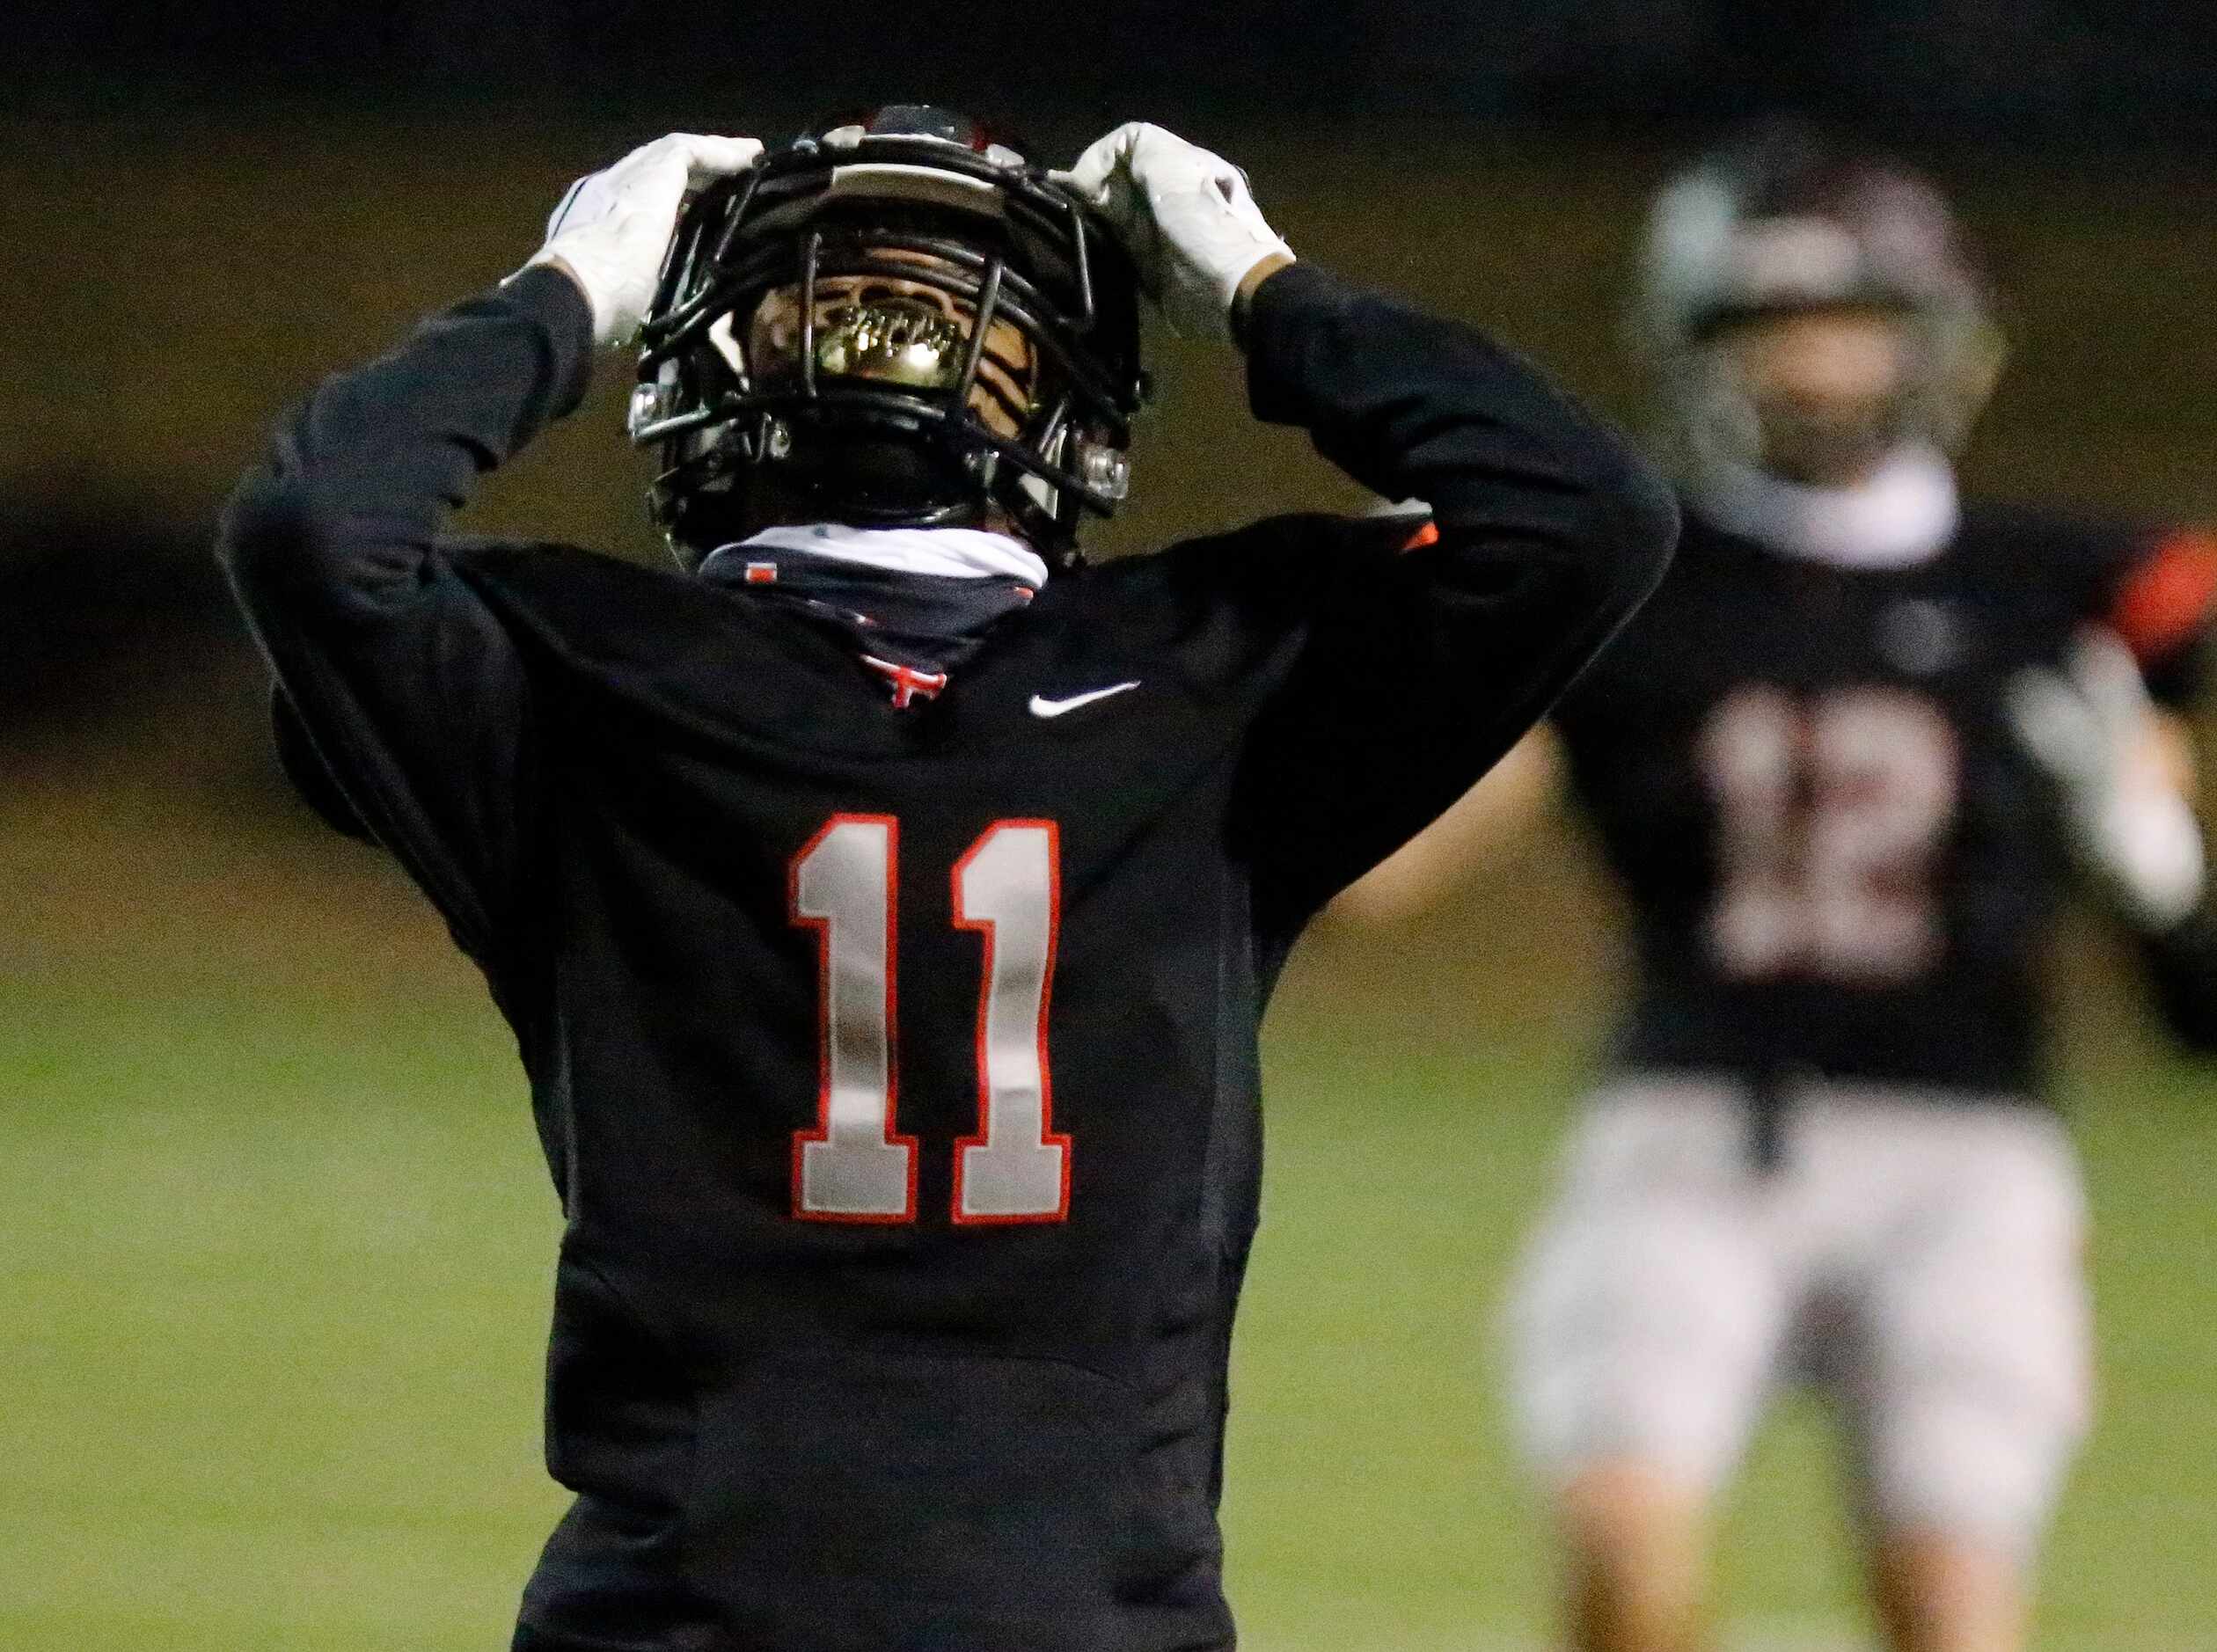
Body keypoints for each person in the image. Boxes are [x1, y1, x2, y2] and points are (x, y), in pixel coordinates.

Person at [216, 106, 1676, 1651]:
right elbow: (1576, 511)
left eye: (947, 308)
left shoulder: (575, 662)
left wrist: (563, 295)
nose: (898, 344)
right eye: (837, 301)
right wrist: (1258, 284)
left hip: (700, 1612)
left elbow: (321, 524)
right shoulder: (1214, 670)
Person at [1342, 122, 2217, 1652]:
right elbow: (1374, 876)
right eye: (1771, 329)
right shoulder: (1637, 580)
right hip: (1688, 1127)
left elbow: (2200, 1013)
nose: (1816, 368)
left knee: (1949, 1597)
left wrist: (2158, 870)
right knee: (1623, 1543)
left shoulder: (2063, 588)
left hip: (1968, 1153)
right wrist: (1387, 667)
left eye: (1850, 322)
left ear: (1938, 338)